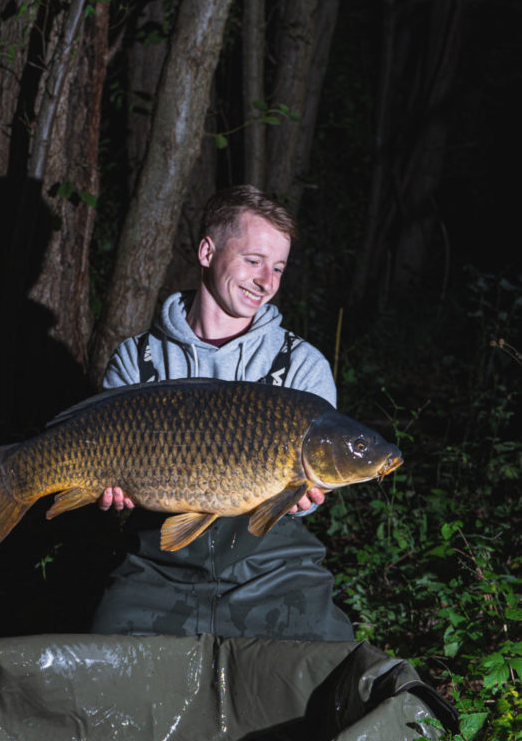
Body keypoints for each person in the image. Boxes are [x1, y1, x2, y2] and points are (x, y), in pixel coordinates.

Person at [92, 185, 354, 641]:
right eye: (253, 261)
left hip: (273, 569)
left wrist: (302, 502)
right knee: (108, 662)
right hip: (159, 567)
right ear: (207, 251)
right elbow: (107, 478)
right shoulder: (138, 360)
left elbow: (303, 494)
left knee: (323, 665)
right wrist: (110, 491)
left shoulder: (302, 365)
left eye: (278, 268)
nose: (266, 281)